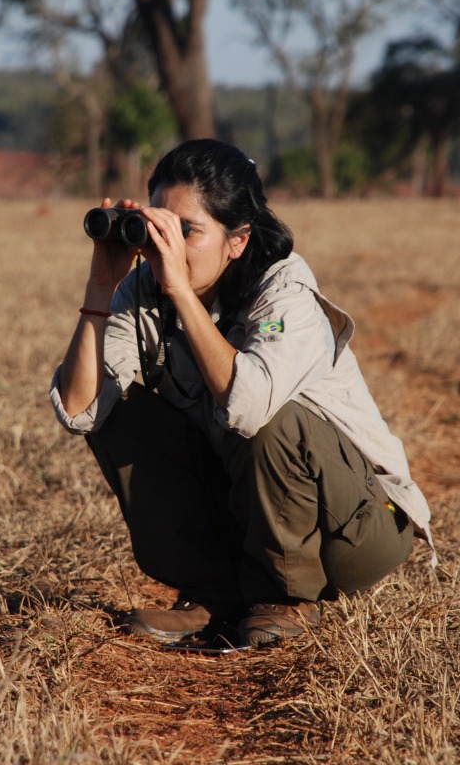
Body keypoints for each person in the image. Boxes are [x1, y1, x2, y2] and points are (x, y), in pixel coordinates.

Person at [49, 139, 432, 647]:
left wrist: (181, 292)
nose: (169, 245)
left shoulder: (284, 292)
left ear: (238, 239)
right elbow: (80, 410)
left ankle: (285, 596)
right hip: (248, 508)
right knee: (118, 411)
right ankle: (214, 593)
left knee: (269, 417)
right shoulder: (142, 290)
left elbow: (248, 405)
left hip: (358, 528)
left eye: (188, 231)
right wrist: (102, 284)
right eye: (161, 223)